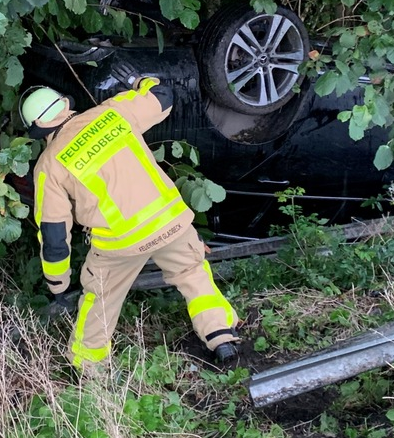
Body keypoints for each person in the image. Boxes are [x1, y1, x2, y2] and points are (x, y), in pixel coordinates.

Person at [19, 64, 240, 368]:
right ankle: (220, 337)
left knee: (101, 299)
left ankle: (88, 367)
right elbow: (163, 96)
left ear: (37, 129)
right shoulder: (113, 113)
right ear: (65, 105)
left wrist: (58, 283)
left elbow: (54, 232)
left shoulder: (49, 165)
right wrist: (138, 80)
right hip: (169, 221)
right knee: (192, 273)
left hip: (119, 242)